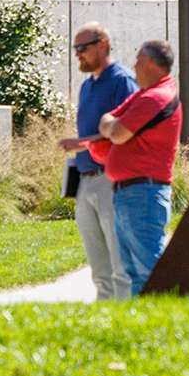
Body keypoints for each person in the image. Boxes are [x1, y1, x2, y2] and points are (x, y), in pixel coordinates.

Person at [56, 22, 138, 301]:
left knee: (120, 265)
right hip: (86, 181)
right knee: (99, 269)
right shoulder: (86, 86)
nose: (77, 54)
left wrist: (83, 143)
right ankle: (103, 325)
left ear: (102, 44)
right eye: (75, 49)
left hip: (112, 181)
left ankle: (127, 321)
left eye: (82, 48)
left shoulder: (122, 81)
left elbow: (129, 131)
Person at [94, 38, 181, 297]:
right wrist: (111, 126)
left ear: (152, 64)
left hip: (142, 193)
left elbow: (117, 131)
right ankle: (145, 323)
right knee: (133, 271)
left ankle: (160, 322)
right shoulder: (144, 95)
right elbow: (106, 120)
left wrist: (112, 128)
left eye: (139, 61)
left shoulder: (155, 98)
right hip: (130, 192)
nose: (134, 66)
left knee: (148, 271)